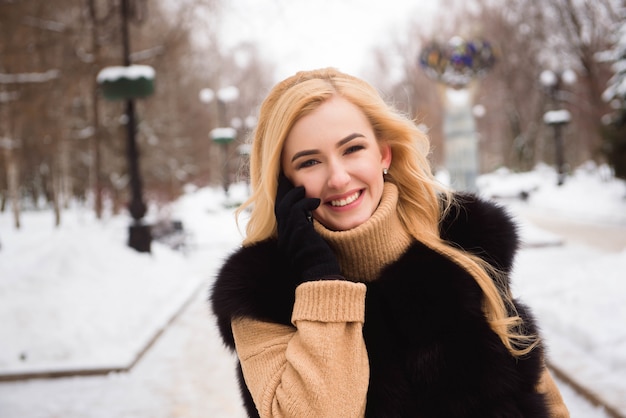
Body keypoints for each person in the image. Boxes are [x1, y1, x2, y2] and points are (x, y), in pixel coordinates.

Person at [210, 67, 569, 417]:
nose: (338, 178)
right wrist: (320, 286)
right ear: (283, 182)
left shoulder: (463, 245)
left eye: (352, 149)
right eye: (310, 162)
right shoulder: (261, 295)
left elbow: (540, 397)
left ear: (383, 153)